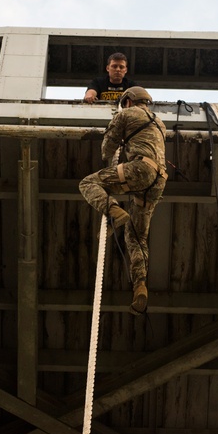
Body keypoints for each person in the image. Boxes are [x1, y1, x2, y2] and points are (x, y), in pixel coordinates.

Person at [78, 86, 167, 314]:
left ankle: (114, 211)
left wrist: (116, 136)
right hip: (158, 181)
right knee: (137, 236)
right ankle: (140, 286)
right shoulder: (160, 123)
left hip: (140, 169)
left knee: (88, 183)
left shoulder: (125, 114)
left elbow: (107, 150)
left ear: (128, 101)